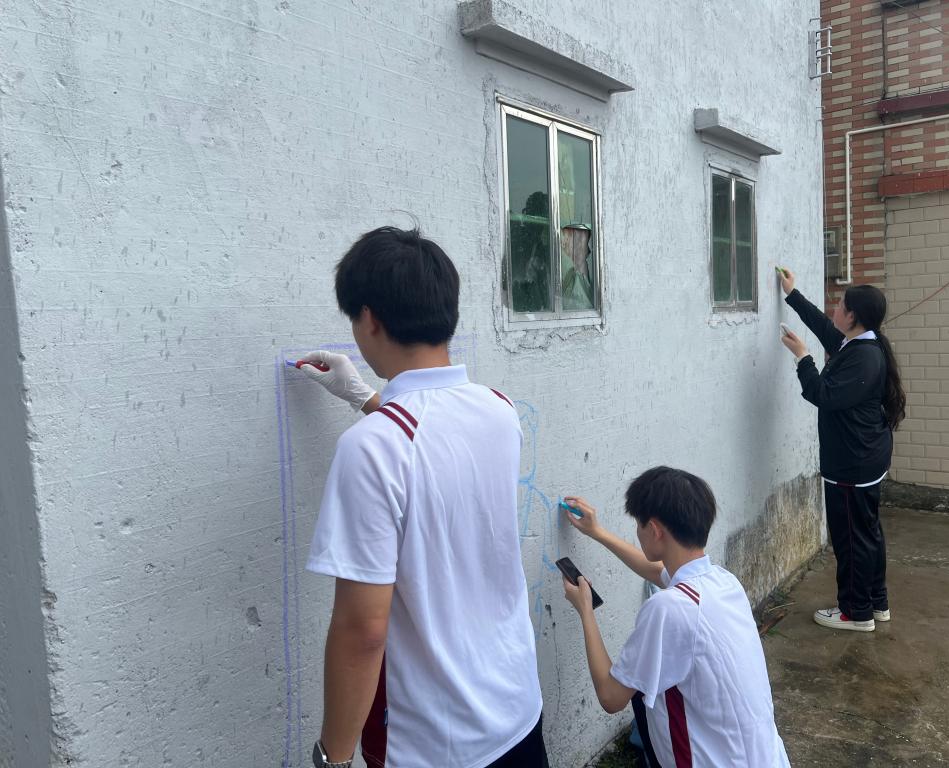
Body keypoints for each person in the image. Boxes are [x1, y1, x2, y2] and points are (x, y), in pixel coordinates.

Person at [300, 226, 546, 768]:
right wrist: (366, 398)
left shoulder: (370, 449)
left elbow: (363, 630)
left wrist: (332, 760)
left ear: (369, 319)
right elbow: (434, 452)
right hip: (517, 711)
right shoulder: (500, 410)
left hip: (435, 743)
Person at [561, 468, 790, 768]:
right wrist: (598, 532)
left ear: (655, 530)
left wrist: (585, 610)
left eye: (638, 524)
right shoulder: (724, 582)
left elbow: (611, 696)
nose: (637, 531)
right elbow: (657, 571)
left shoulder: (668, 609)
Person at [777, 268, 906, 632]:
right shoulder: (859, 344)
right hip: (864, 458)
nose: (834, 307)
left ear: (853, 317)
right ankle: (876, 603)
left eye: (840, 304)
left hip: (853, 464)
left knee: (852, 540)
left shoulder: (864, 357)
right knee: (867, 533)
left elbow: (823, 395)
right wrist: (792, 294)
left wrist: (803, 358)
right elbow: (824, 328)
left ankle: (855, 612)